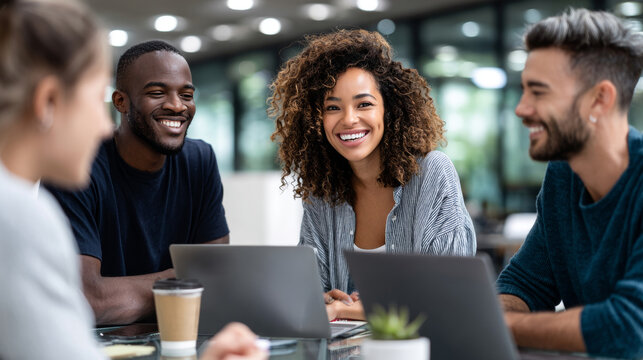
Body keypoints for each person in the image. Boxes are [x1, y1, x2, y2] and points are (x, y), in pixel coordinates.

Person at [0, 1, 265, 359]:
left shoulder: (16, 210)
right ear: (48, 101)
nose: (101, 125)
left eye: (186, 95)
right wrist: (183, 283)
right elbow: (87, 307)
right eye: (96, 100)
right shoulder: (17, 217)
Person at [268, 29, 476, 320]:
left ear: (388, 110)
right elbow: (311, 287)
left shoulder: (432, 173)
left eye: (364, 104)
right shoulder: (321, 189)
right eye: (332, 107)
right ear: (317, 120)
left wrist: (346, 310)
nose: (349, 119)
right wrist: (324, 298)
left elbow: (447, 296)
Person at [45, 40, 230, 325]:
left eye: (187, 94)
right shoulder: (75, 166)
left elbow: (218, 277)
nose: (176, 105)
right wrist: (187, 281)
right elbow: (88, 300)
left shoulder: (200, 159)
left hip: (177, 337)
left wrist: (126, 295)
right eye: (157, 93)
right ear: (120, 101)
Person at [496, 8, 643, 358]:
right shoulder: (565, 175)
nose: (521, 109)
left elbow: (628, 327)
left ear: (599, 99)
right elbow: (523, 285)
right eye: (523, 91)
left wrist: (503, 324)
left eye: (539, 92)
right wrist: (496, 315)